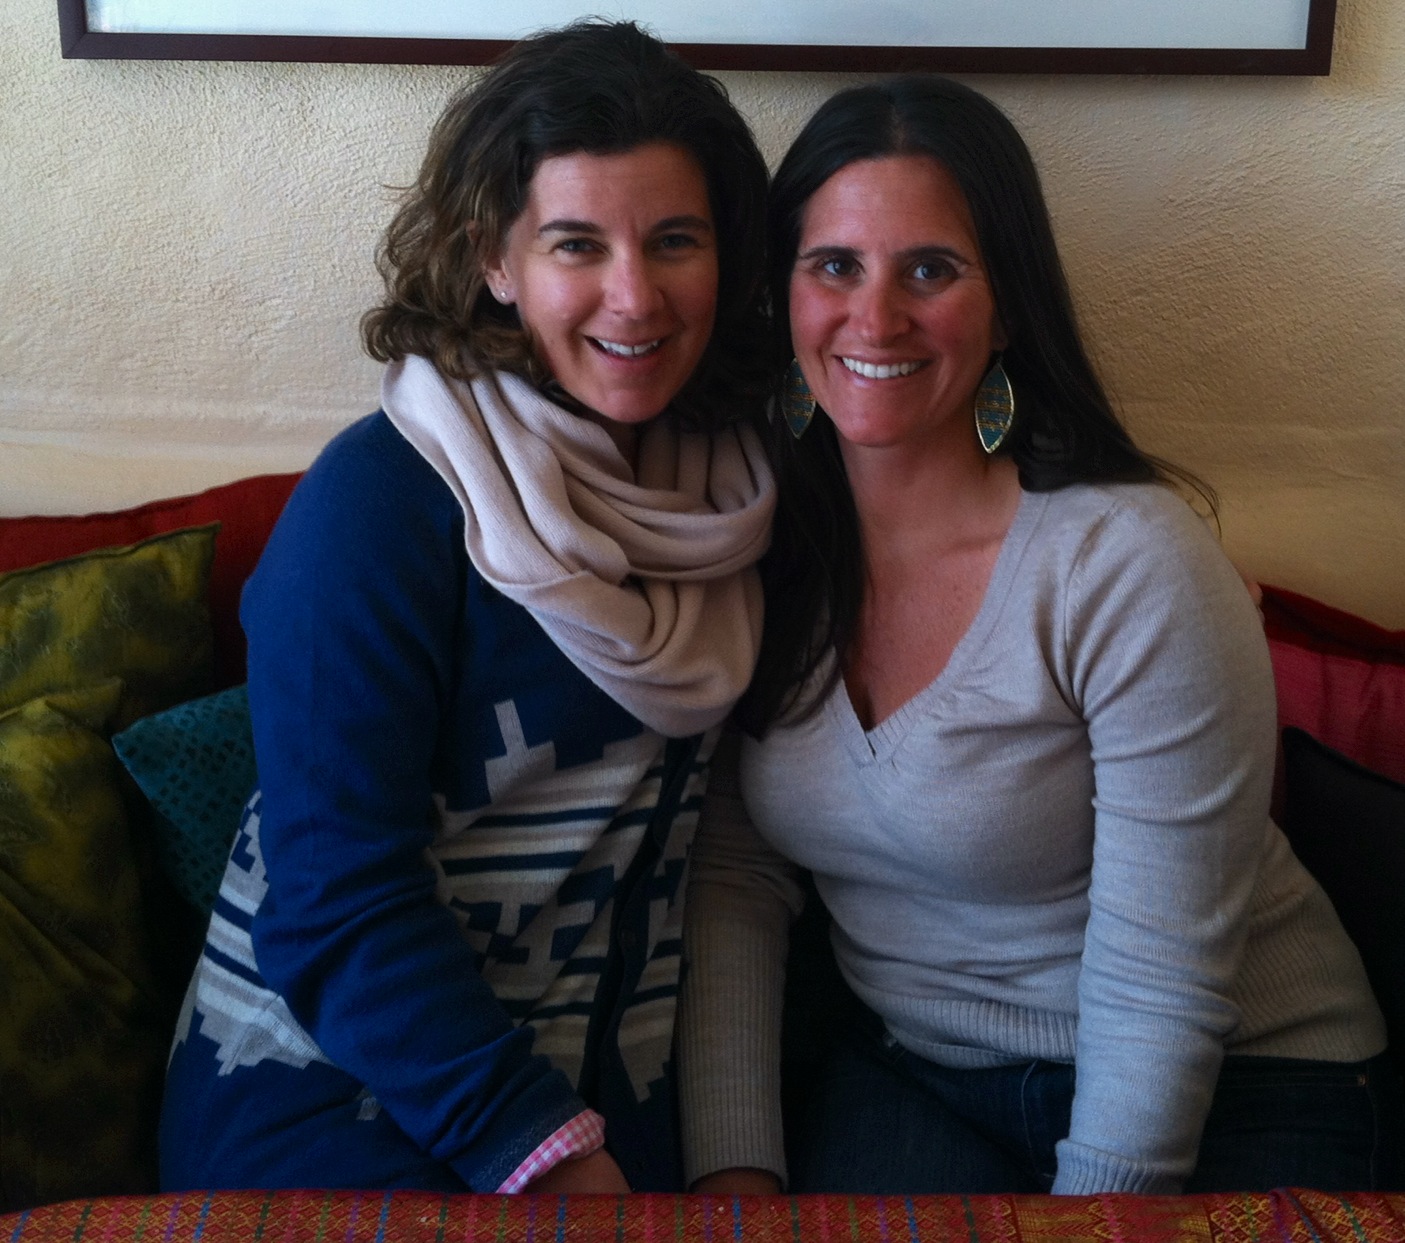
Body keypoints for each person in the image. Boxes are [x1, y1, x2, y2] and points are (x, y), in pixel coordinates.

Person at [678, 76, 1398, 1197]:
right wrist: (733, 1170)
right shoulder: (756, 544)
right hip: (921, 1074)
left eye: (931, 269)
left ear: (1008, 305)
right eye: (835, 266)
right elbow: (734, 877)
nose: (875, 317)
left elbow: (1161, 972)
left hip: (1241, 1075)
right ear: (782, 296)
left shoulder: (1125, 562)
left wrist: (1098, 1215)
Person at [159, 20, 775, 1196]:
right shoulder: (382, 502)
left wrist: (721, 1155)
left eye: (675, 240)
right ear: (495, 258)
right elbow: (334, 902)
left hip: (609, 1116)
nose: (634, 296)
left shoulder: (735, 500)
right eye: (576, 243)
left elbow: (734, 866)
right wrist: (551, 1159)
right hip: (331, 1120)